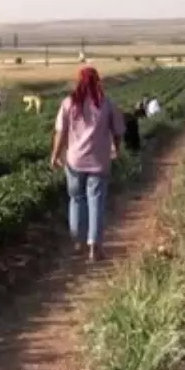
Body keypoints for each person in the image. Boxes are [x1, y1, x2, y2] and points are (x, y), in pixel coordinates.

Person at [50, 67, 124, 262]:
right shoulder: (106, 104)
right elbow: (118, 130)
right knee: (96, 202)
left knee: (76, 200)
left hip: (74, 161)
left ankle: (78, 242)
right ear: (98, 81)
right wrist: (116, 148)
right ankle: (94, 247)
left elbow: (60, 132)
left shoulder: (68, 103)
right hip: (99, 162)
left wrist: (55, 155)